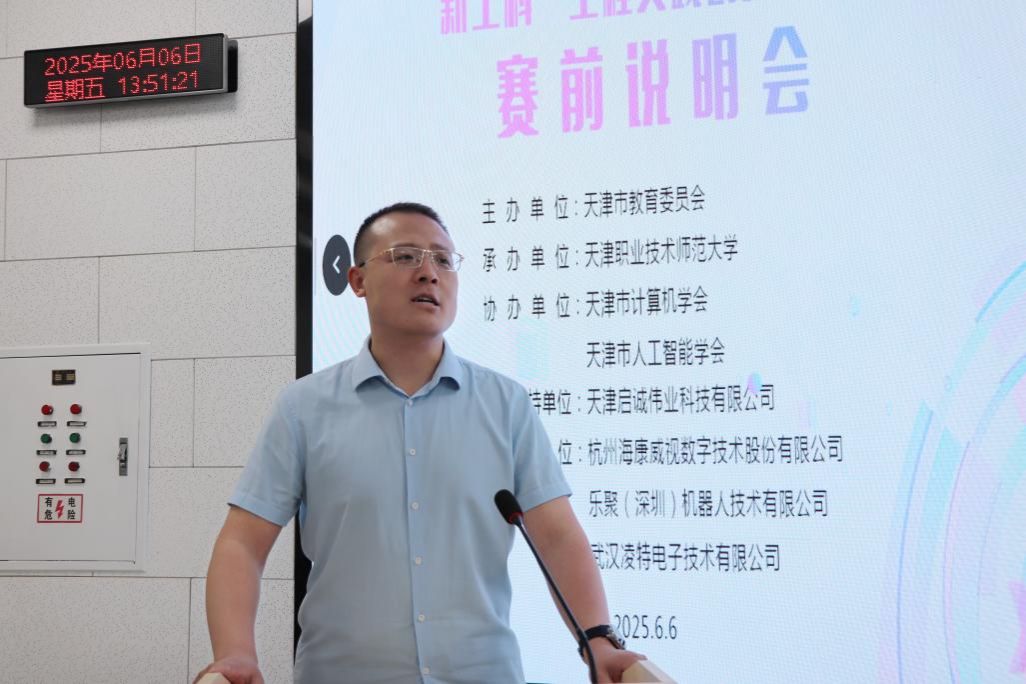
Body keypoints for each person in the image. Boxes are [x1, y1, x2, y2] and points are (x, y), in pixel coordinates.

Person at [195, 203, 644, 683]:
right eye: (405, 256)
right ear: (358, 280)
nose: (429, 273)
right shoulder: (303, 407)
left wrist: (597, 638)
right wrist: (236, 653)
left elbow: (556, 536)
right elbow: (243, 543)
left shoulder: (505, 404)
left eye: (443, 260)